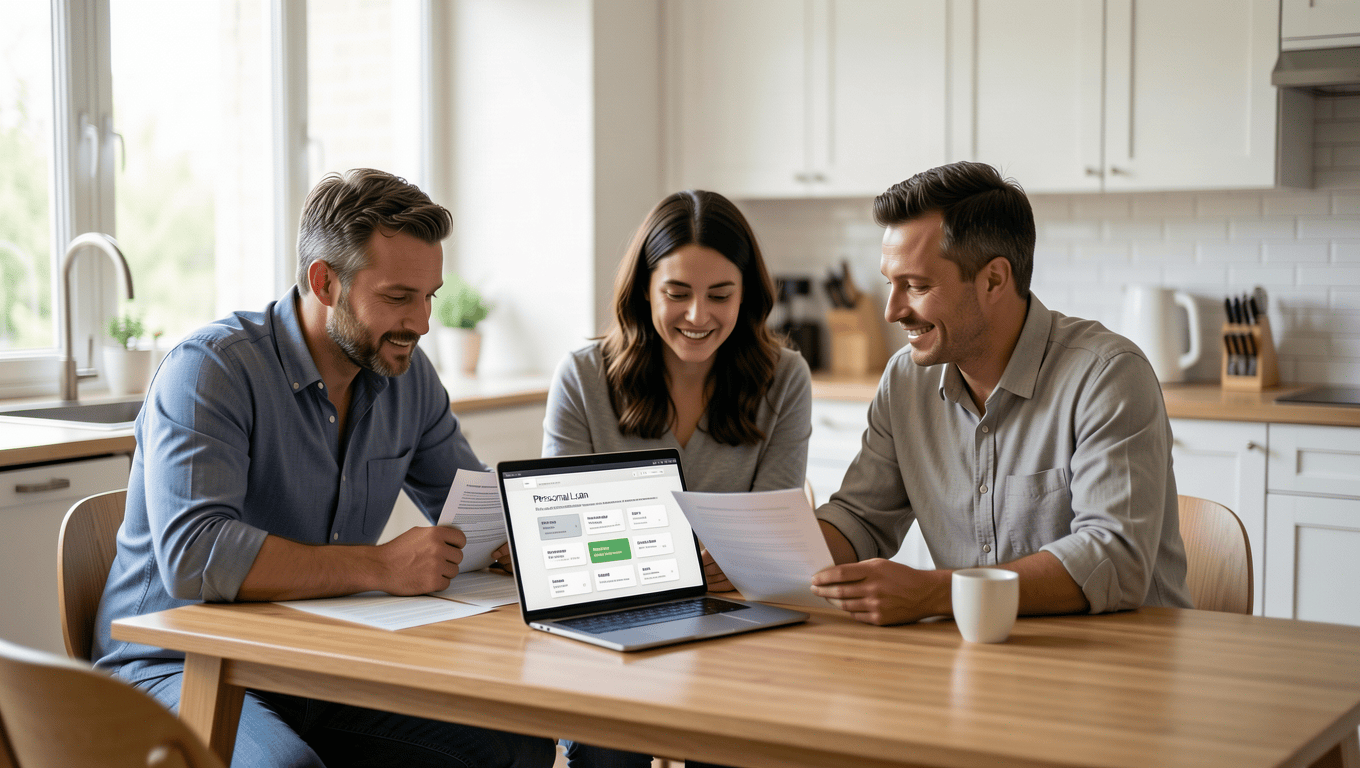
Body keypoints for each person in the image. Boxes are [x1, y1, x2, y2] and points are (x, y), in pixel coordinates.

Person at [91, 169, 555, 768]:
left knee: (515, 747)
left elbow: (479, 508)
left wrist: (522, 540)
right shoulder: (210, 370)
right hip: (176, 667)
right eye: (398, 297)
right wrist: (381, 566)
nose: (422, 323)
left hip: (316, 662)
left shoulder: (407, 376)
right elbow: (195, 555)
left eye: (429, 297)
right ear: (325, 282)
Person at [809, 161, 1192, 625]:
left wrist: (933, 593)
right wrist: (765, 556)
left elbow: (1113, 558)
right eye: (892, 283)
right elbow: (860, 518)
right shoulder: (905, 382)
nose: (892, 311)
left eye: (917, 286)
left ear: (993, 279)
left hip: (1126, 652)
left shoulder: (1107, 376)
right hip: (978, 653)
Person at [542, 189, 812, 768]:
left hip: (736, 625)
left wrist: (736, 556)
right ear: (645, 289)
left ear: (747, 294)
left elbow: (770, 540)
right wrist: (707, 554)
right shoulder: (582, 379)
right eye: (677, 293)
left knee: (741, 747)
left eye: (720, 295)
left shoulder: (785, 379)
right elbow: (563, 540)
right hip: (614, 621)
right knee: (607, 753)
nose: (697, 316)